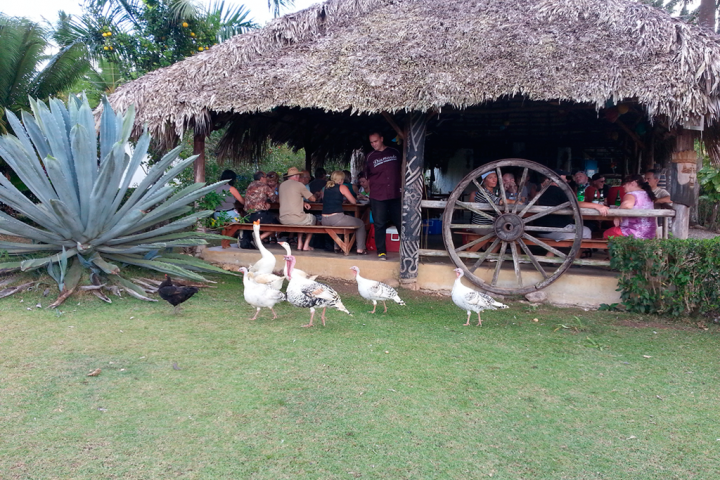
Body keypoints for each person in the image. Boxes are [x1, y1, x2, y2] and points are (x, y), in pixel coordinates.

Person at [533, 170, 609, 242]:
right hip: (554, 230)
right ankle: (578, 254)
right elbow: (575, 203)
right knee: (586, 231)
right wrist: (598, 206)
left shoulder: (543, 190)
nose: (566, 180)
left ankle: (551, 253)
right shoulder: (559, 191)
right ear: (558, 178)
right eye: (565, 178)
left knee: (581, 228)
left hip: (541, 229)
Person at [365, 132, 402, 261]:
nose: (374, 144)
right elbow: (367, 176)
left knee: (399, 222)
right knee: (379, 223)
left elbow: (402, 169)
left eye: (376, 141)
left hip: (395, 193)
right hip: (377, 195)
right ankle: (381, 252)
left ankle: (406, 249)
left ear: (381, 139)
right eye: (371, 142)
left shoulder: (395, 152)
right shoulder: (370, 157)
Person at [321, 171, 367, 254]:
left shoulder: (326, 188)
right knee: (360, 223)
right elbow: (353, 201)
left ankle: (337, 247)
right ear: (341, 180)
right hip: (336, 218)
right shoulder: (342, 187)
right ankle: (360, 249)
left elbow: (325, 199)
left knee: (341, 223)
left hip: (324, 219)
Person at [603, 174, 658, 240]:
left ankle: (618, 250)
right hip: (649, 233)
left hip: (634, 232)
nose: (623, 186)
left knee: (607, 233)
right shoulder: (648, 194)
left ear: (633, 183)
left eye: (625, 183)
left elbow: (627, 205)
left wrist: (617, 215)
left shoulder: (631, 194)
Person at [278, 167, 317, 251]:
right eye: (299, 176)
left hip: (283, 219)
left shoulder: (282, 185)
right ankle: (306, 245)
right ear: (296, 176)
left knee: (302, 218)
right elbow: (313, 199)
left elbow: (290, 198)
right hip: (296, 219)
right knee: (313, 218)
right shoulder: (299, 185)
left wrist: (303, 203)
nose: (299, 178)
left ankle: (299, 244)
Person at [240, 171, 279, 249]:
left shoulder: (250, 185)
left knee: (269, 217)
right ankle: (259, 238)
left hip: (247, 215)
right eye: (265, 177)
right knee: (277, 223)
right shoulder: (264, 186)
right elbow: (275, 199)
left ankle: (259, 238)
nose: (267, 179)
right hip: (258, 215)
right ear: (261, 178)